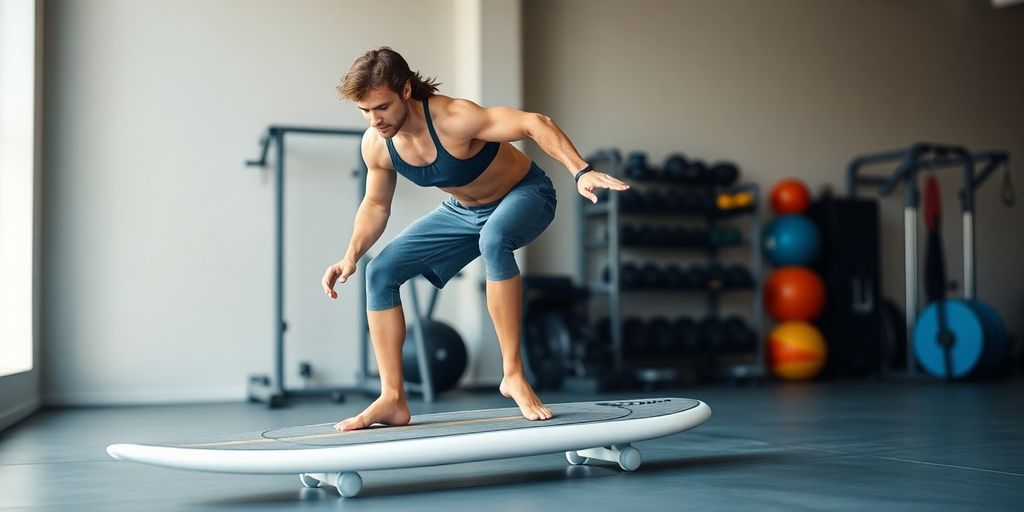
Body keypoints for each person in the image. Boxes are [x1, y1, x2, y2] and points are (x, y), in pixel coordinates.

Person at [322, 47, 628, 432]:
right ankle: (393, 398)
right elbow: (376, 204)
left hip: (525, 194)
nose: (374, 119)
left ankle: (513, 375)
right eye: (365, 111)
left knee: (494, 239)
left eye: (380, 107)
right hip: (462, 211)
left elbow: (536, 123)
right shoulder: (376, 143)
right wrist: (351, 255)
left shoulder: (454, 118)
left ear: (405, 90)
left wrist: (580, 171)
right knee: (380, 272)